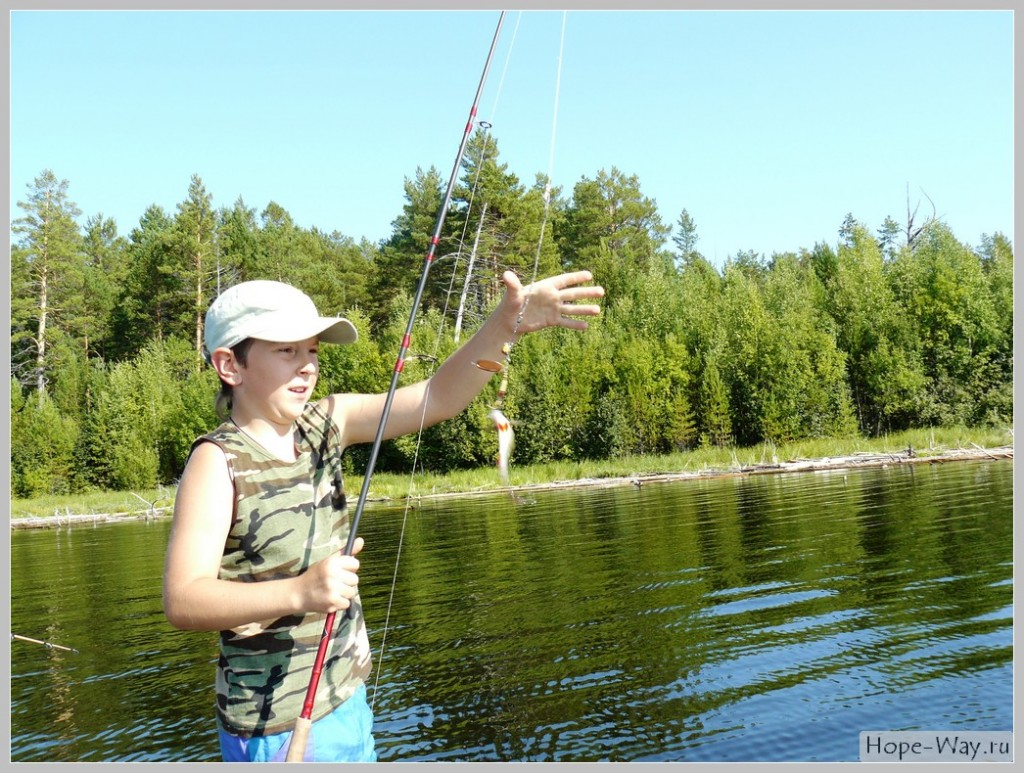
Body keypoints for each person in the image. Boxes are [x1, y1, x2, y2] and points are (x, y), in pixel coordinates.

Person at [162, 269, 604, 762]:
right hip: (275, 727)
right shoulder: (216, 461)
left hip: (347, 700)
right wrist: (300, 591)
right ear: (230, 365)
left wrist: (506, 323)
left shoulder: (328, 423)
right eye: (287, 351)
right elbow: (184, 599)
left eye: (312, 351)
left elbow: (439, 396)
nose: (307, 366)